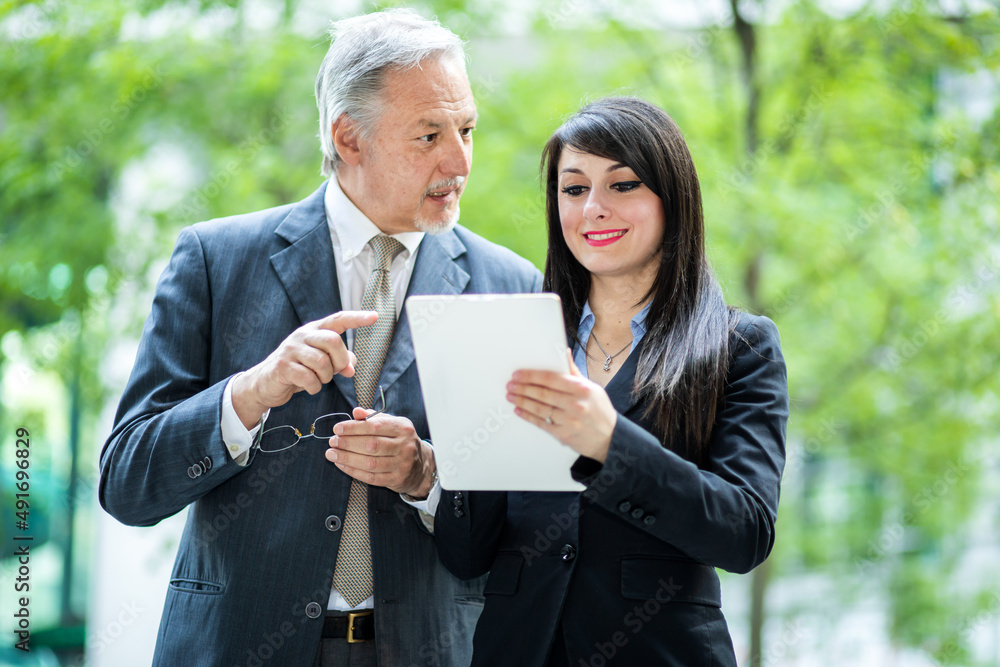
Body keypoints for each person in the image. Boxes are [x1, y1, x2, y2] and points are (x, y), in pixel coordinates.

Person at [99, 9, 541, 667]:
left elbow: (529, 534)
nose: (459, 159)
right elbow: (128, 483)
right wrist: (246, 395)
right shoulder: (215, 260)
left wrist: (427, 476)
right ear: (349, 137)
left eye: (467, 129)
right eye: (428, 135)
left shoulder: (509, 283)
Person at [434, 97, 789, 666]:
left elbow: (744, 532)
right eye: (574, 190)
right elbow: (466, 554)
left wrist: (610, 443)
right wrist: (448, 465)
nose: (593, 208)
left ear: (672, 198)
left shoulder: (739, 347)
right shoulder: (515, 337)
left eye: (622, 186)